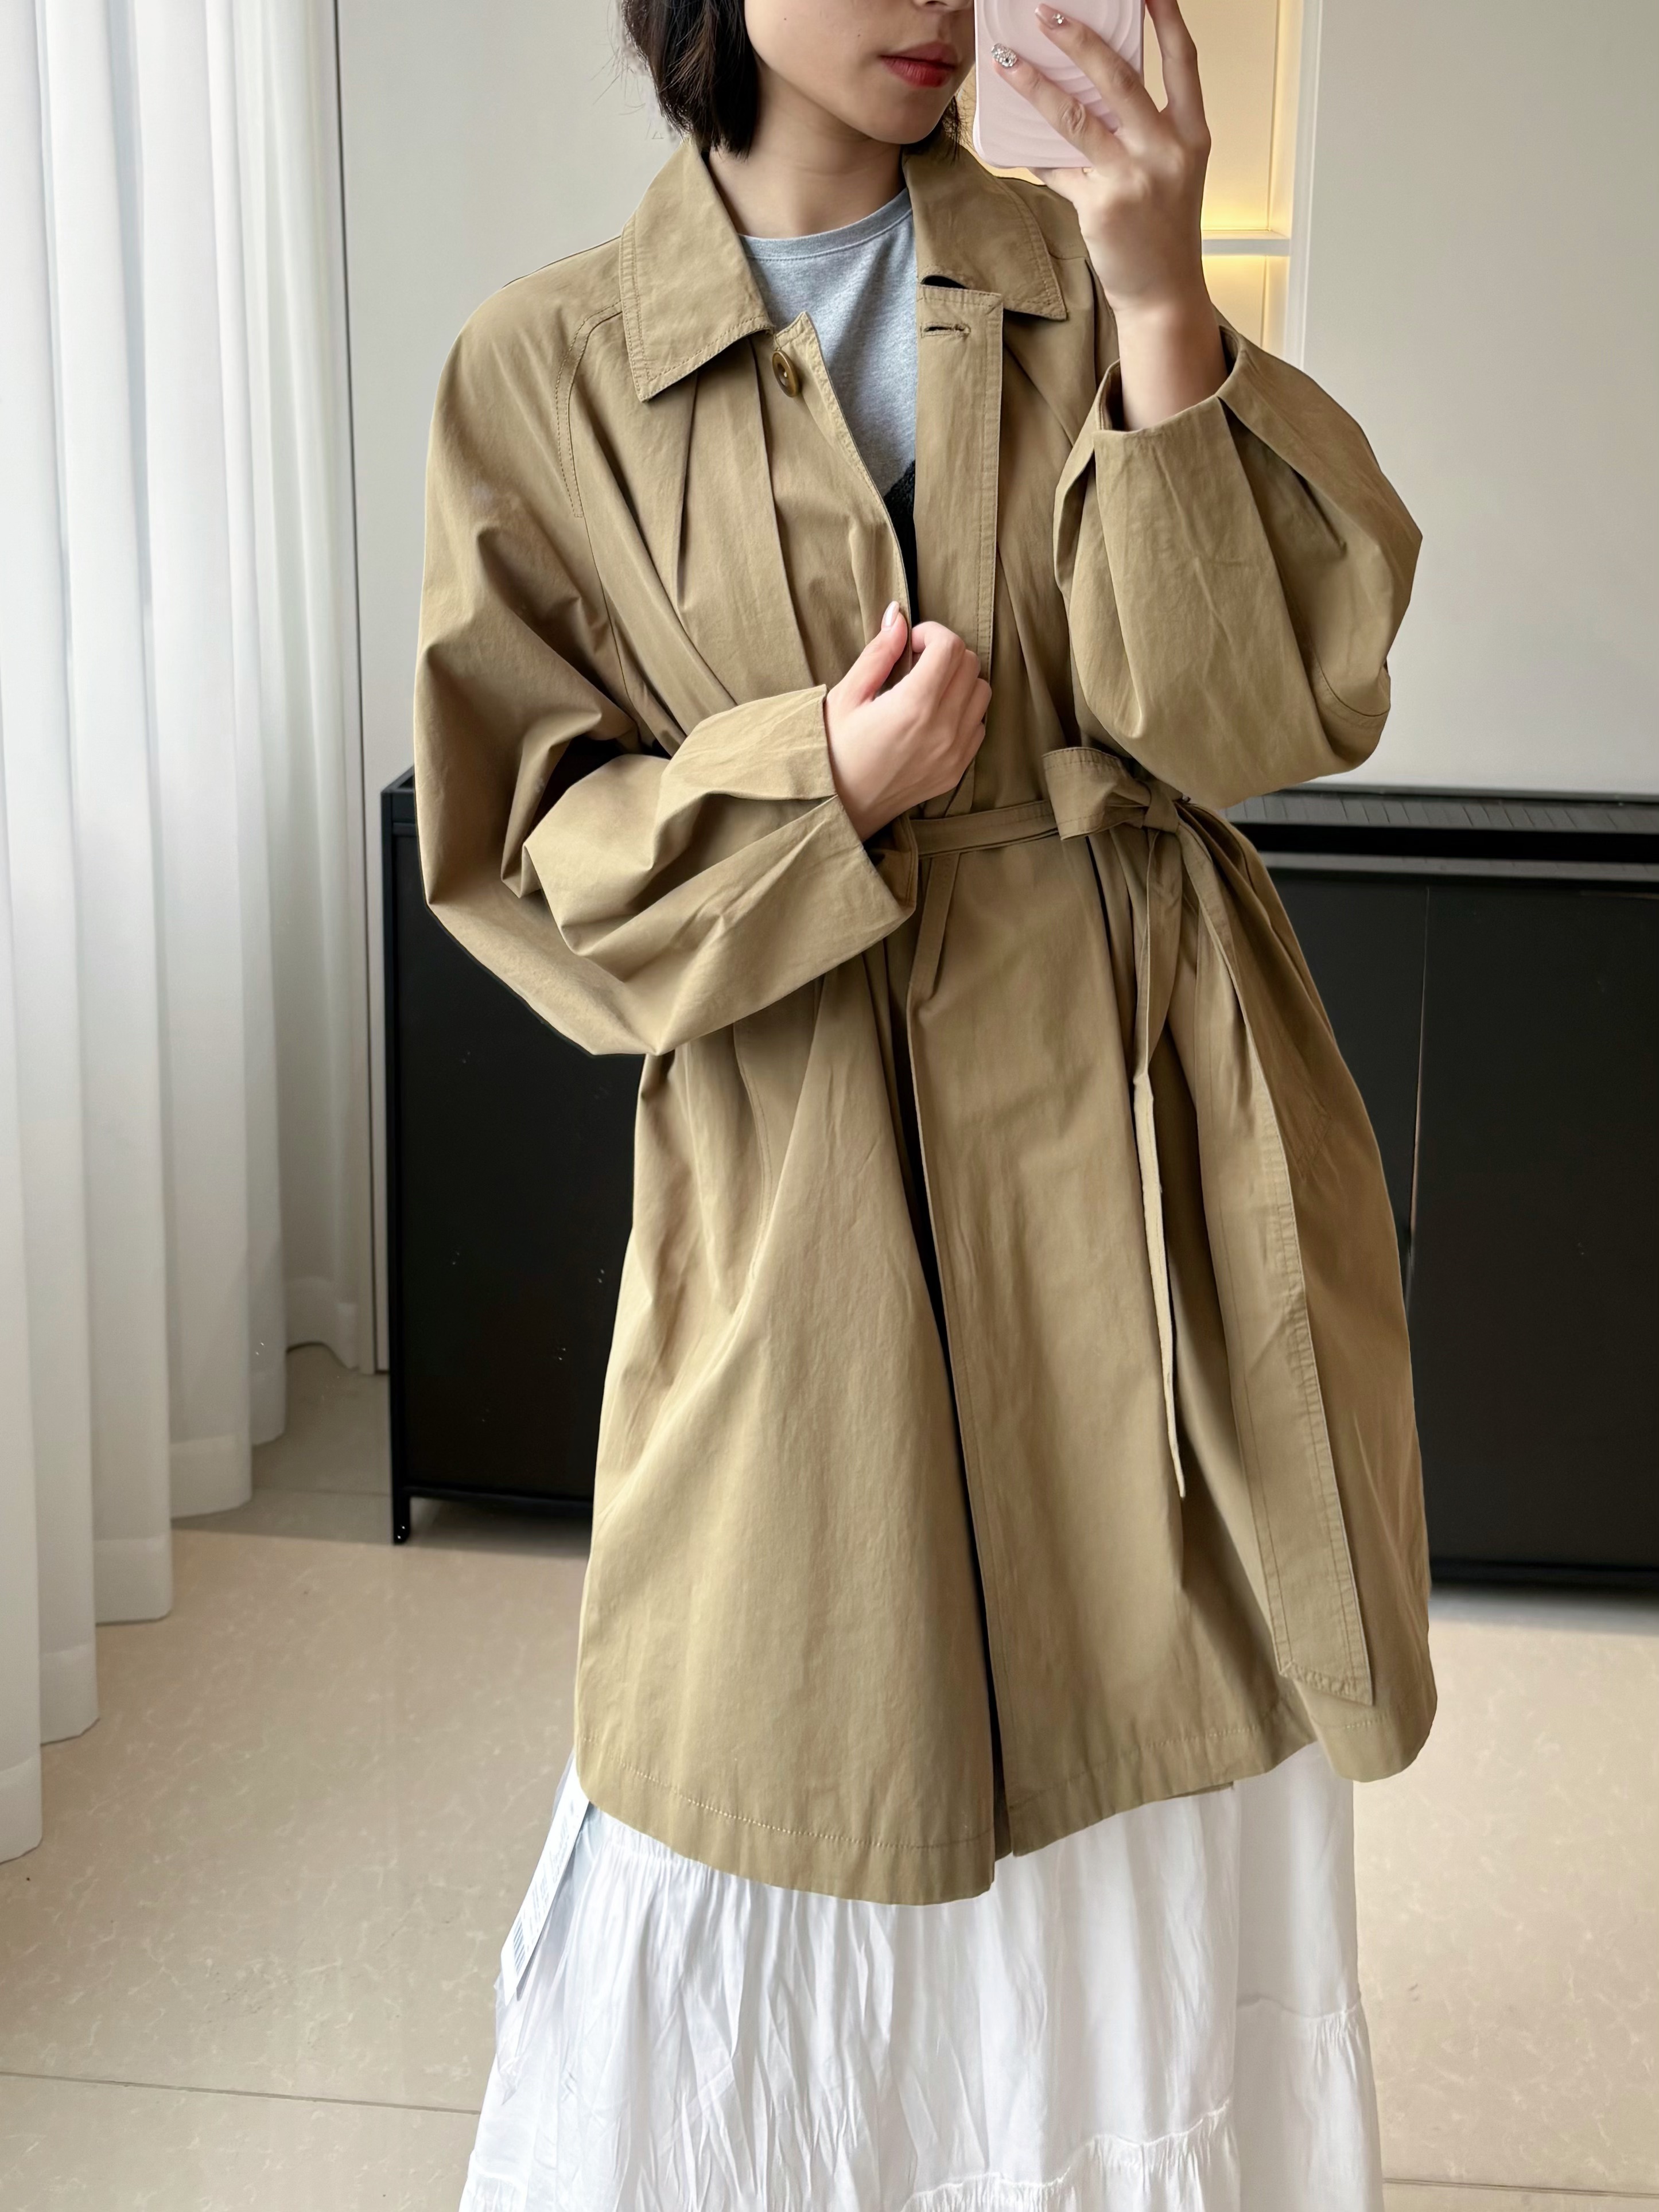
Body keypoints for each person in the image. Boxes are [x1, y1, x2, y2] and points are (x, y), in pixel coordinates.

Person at [414, 0, 1436, 2203]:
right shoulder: (547, 365)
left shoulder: (1078, 265)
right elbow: (525, 851)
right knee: (781, 1721)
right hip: (799, 1161)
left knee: (1150, 1700)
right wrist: (819, 780)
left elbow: (1253, 717)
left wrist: (1161, 300)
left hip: (1123, 1136)